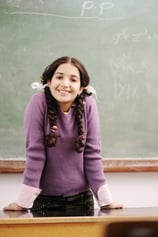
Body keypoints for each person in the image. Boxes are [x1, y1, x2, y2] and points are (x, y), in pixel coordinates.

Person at [3, 56, 122, 216]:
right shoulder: (38, 103)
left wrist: (106, 201)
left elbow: (92, 155)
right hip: (44, 201)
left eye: (73, 79)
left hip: (81, 201)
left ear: (81, 87)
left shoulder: (89, 105)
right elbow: (35, 154)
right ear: (49, 81)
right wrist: (23, 203)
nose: (65, 84)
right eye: (59, 77)